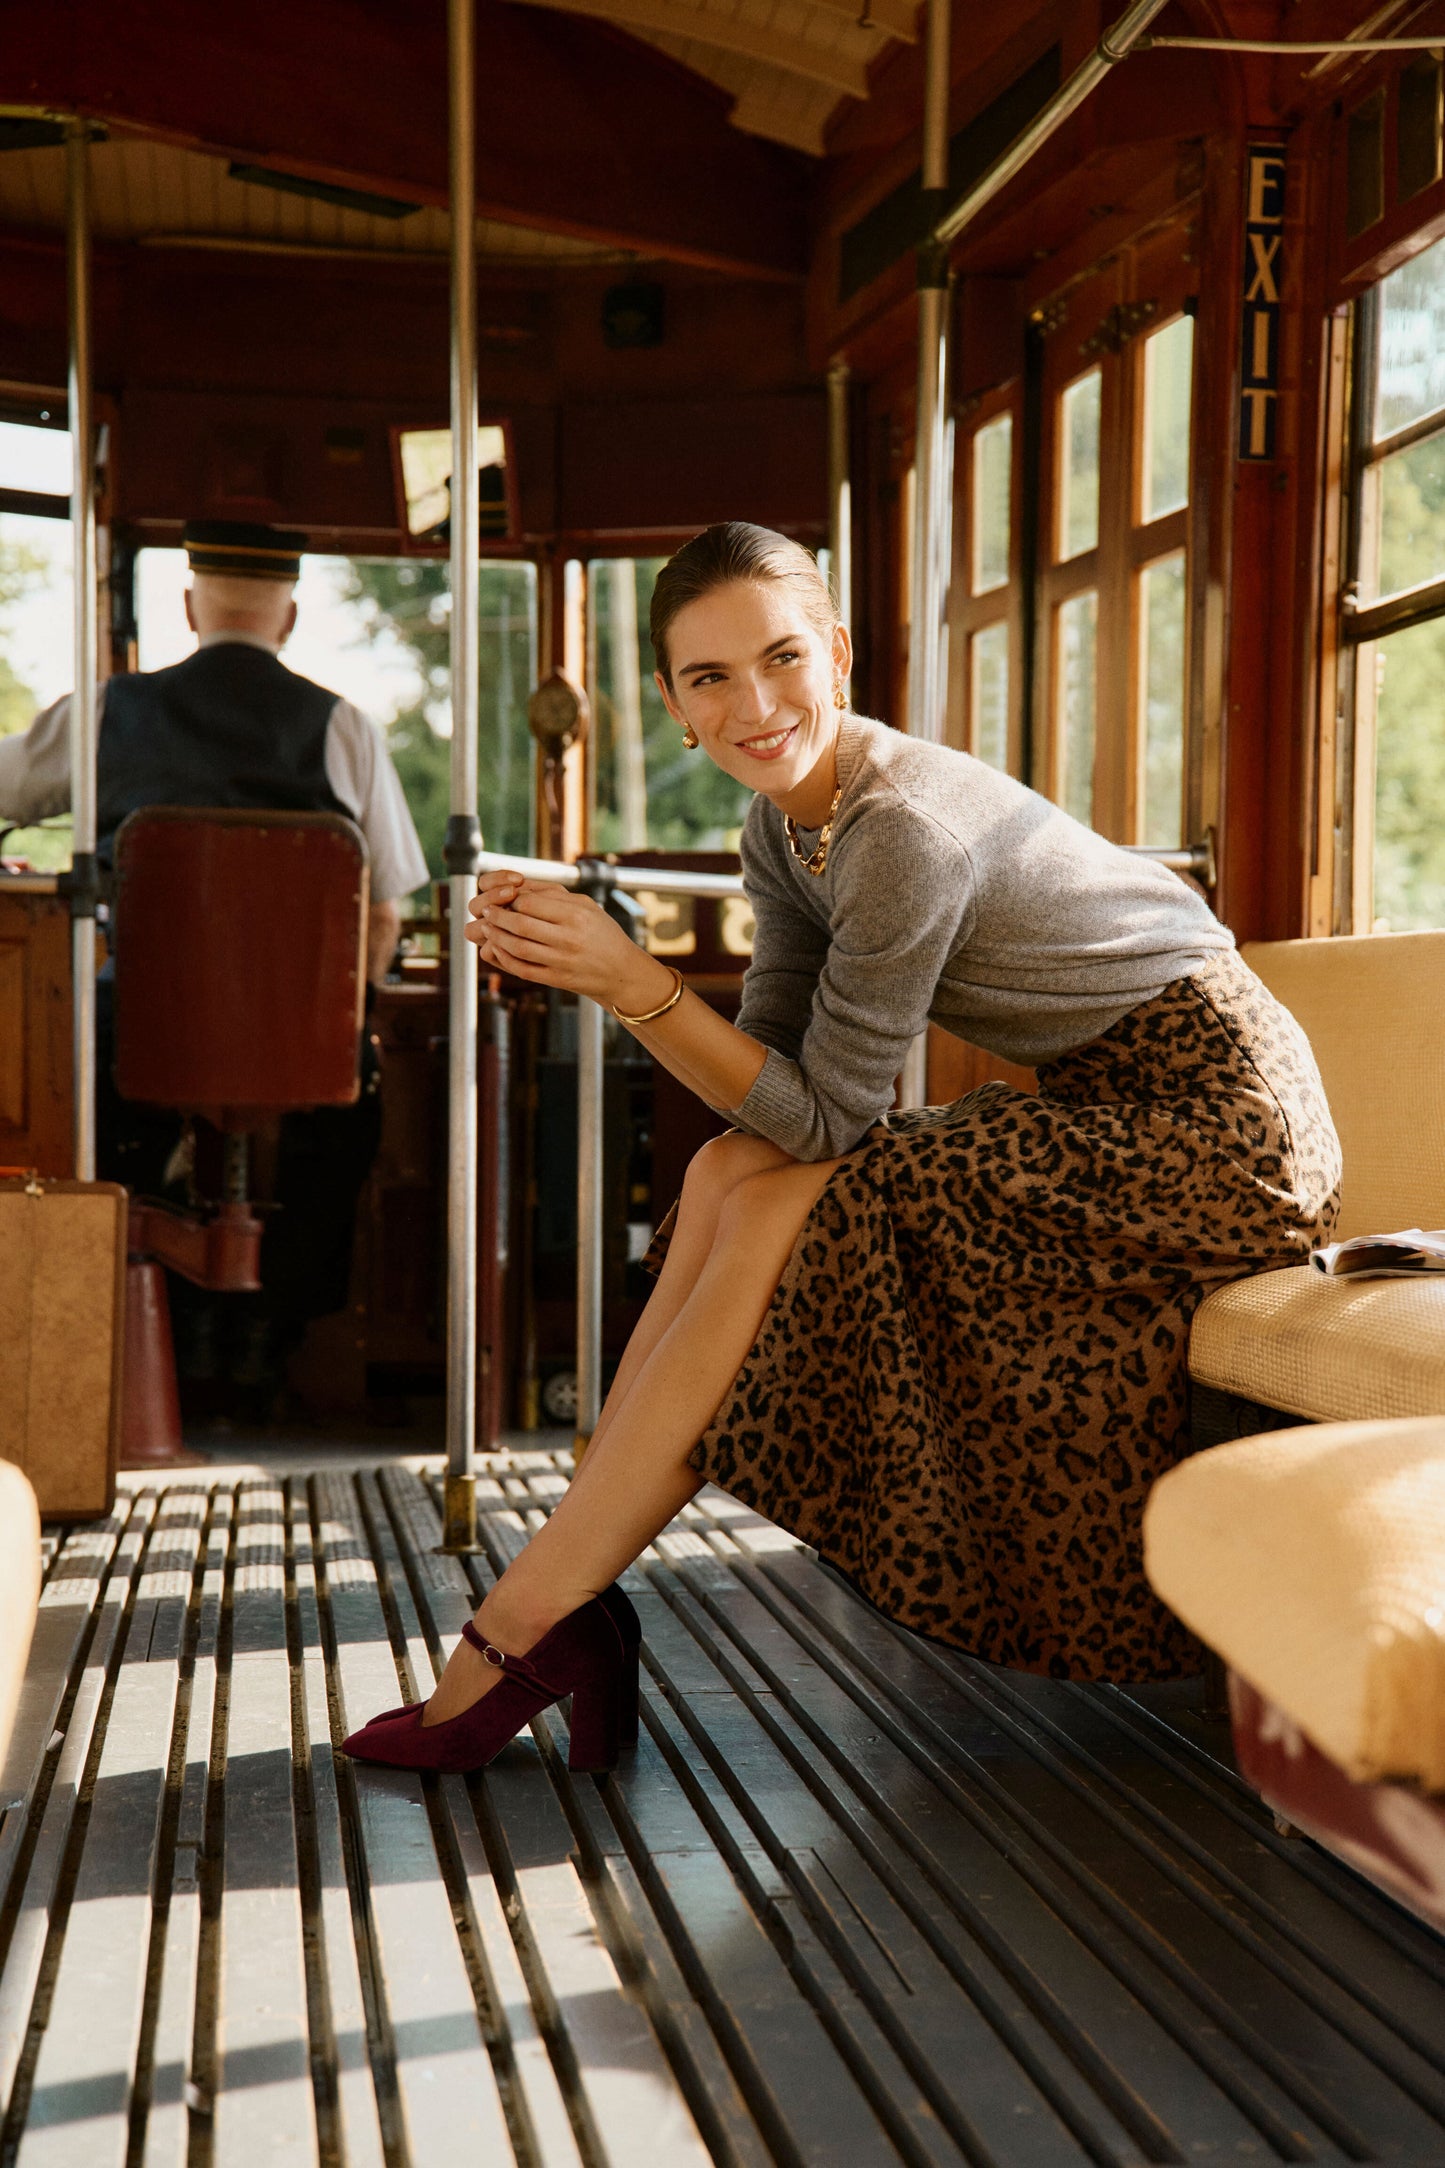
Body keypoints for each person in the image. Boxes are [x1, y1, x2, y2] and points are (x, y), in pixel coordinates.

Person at [344, 519, 1341, 1777]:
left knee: (787, 1200)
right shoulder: (781, 832)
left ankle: (528, 1618)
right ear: (672, 704)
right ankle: (557, 1592)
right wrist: (626, 982)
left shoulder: (899, 829)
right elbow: (769, 1091)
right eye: (710, 678)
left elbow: (824, 1122)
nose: (755, 706)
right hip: (1103, 1105)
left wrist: (629, 980)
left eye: (782, 659)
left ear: (838, 654)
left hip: (1214, 1130)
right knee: (722, 1172)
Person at [0, 519, 429, 1379]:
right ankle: (280, 1342)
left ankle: (107, 1335)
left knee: (63, 1089)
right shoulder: (344, 727)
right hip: (301, 1044)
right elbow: (385, 911)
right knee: (355, 1106)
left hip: (133, 1037)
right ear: (290, 619)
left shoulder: (106, 712)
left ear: (191, 608)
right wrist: (338, 1024)